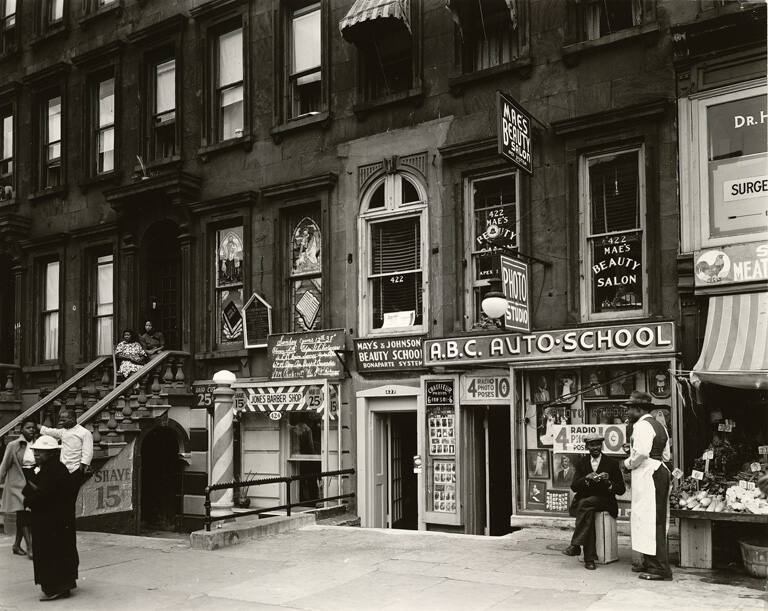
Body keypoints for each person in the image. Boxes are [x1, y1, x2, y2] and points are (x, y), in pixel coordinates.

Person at [623, 390, 673, 581]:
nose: (627, 413)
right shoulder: (660, 426)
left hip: (649, 474)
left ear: (638, 409)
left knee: (651, 519)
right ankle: (651, 562)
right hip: (659, 470)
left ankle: (660, 568)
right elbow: (667, 455)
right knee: (654, 518)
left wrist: (627, 464)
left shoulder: (642, 426)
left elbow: (642, 452)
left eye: (629, 409)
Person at [23, 435, 79, 601]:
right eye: (36, 451)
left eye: (41, 452)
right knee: (57, 552)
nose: (37, 454)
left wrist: (28, 499)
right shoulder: (49, 468)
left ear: (52, 453)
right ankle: (61, 586)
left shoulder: (53, 470)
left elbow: (45, 495)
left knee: (52, 552)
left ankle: (57, 587)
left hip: (53, 521)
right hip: (53, 520)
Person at [562, 433, 626, 570]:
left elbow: (621, 489)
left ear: (601, 445)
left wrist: (608, 482)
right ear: (587, 446)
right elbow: (574, 486)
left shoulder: (612, 463)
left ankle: (576, 545)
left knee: (585, 504)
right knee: (588, 511)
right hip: (588, 502)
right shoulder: (582, 463)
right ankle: (589, 559)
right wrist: (586, 478)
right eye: (592, 445)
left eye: (598, 444)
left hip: (605, 501)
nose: (595, 447)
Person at [0, 418, 38, 558]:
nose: (31, 430)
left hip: (33, 480)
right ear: (22, 429)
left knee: (26, 515)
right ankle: (30, 547)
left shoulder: (38, 444)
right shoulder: (13, 445)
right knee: (23, 514)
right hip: (18, 482)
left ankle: (16, 545)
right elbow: (4, 466)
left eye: (33, 427)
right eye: (28, 428)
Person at [40, 409, 93, 490]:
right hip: (62, 468)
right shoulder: (63, 431)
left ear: (72, 419)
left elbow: (88, 452)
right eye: (60, 420)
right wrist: (36, 425)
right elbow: (49, 431)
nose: (61, 422)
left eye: (64, 420)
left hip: (75, 469)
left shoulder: (85, 432)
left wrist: (82, 467)